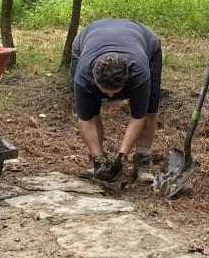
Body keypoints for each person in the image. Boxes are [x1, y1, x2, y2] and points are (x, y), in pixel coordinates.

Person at [69, 18, 162, 183]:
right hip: (88, 39)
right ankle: (98, 159)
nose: (110, 98)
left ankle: (142, 161)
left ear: (127, 80)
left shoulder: (139, 72)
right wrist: (100, 161)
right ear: (95, 79)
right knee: (90, 109)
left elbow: (137, 118)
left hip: (145, 40)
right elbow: (86, 121)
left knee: (149, 109)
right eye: (106, 92)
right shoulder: (83, 76)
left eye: (115, 93)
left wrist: (121, 158)